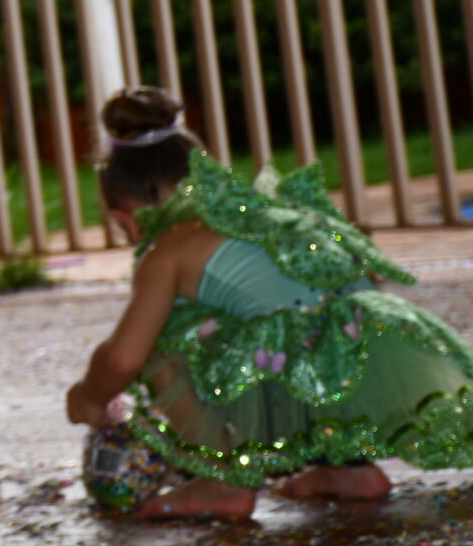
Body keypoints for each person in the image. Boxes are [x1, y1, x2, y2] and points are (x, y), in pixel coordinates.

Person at [66, 86, 473, 519]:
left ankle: (221, 483)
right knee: (285, 329)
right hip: (380, 354)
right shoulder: (263, 210)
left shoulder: (167, 249)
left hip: (312, 369)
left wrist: (89, 396)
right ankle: (349, 471)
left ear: (122, 218)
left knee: (165, 341)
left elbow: (125, 359)